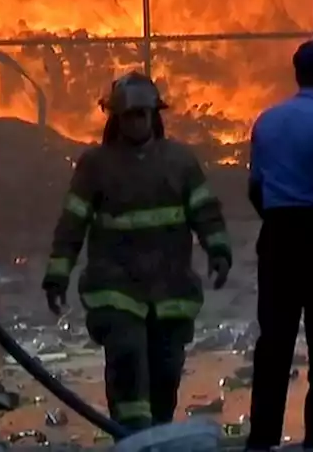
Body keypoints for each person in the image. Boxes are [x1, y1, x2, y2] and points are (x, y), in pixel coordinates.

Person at [41, 71, 232, 432]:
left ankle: (157, 432)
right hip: (115, 286)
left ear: (155, 116)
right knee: (127, 356)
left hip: (170, 287)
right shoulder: (95, 165)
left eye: (143, 114)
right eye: (129, 116)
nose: (136, 122)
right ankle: (131, 436)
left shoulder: (180, 162)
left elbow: (205, 211)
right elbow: (72, 224)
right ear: (116, 119)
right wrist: (57, 275)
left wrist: (218, 250)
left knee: (166, 368)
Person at [245, 38, 313, 450]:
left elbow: (255, 187)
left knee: (273, 343)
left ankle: (262, 439)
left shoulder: (267, 121)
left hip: (277, 237)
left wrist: (277, 218)